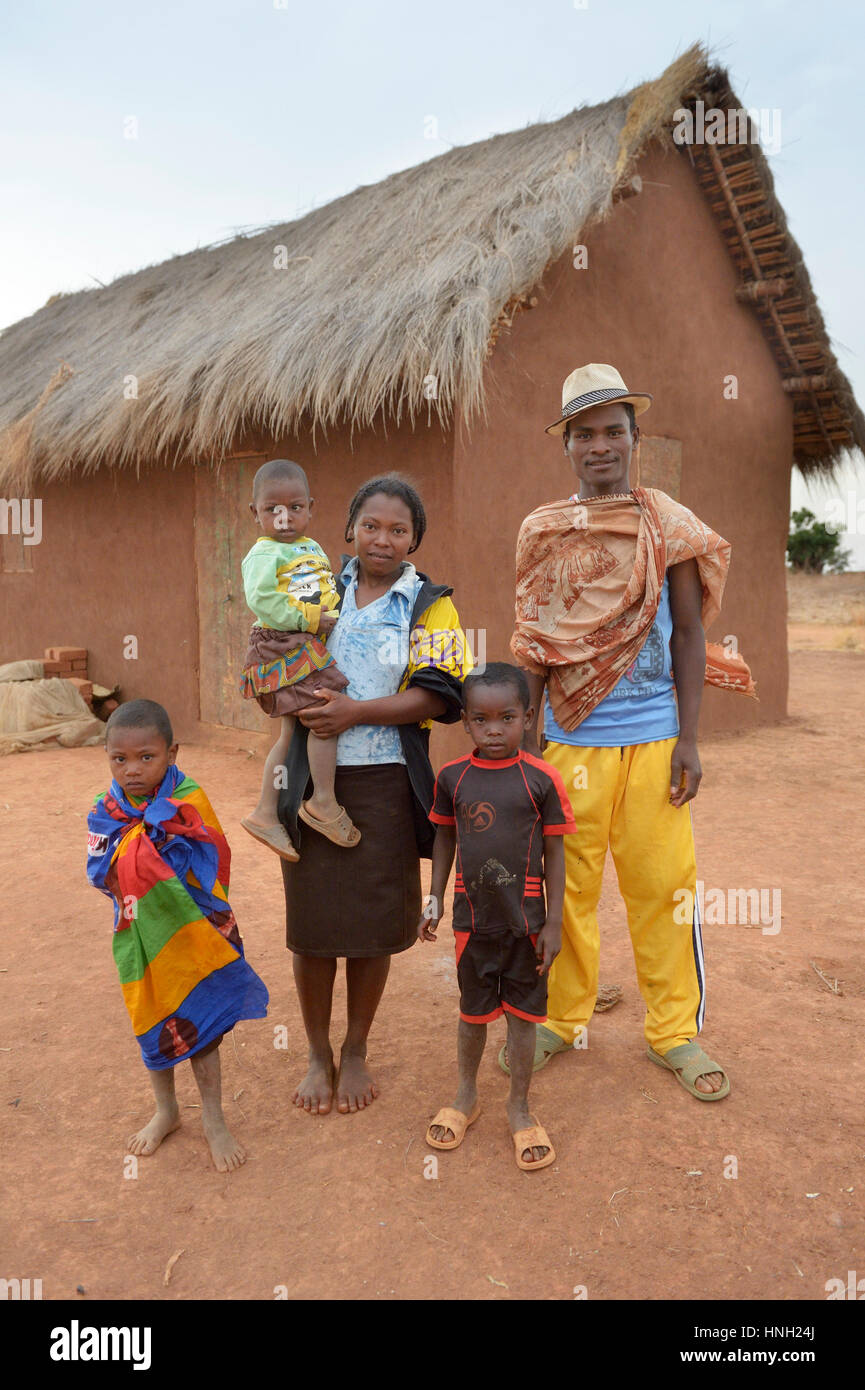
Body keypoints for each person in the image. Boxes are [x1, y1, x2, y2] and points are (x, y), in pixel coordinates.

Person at [507, 364, 755, 1100]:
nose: (600, 445)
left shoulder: (664, 523)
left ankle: (673, 1032)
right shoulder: (544, 530)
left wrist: (688, 738)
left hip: (652, 740)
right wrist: (525, 752)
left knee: (663, 886)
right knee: (565, 889)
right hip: (570, 744)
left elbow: (685, 634)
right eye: (584, 434)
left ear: (633, 439)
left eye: (614, 430)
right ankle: (561, 1018)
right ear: (567, 447)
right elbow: (534, 644)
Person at [275, 473, 473, 1116]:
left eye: (398, 530)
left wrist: (354, 712)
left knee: (369, 927)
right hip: (310, 783)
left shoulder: (430, 604)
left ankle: (354, 1048)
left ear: (415, 540)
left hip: (386, 782)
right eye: (371, 525)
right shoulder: (313, 589)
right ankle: (315, 1051)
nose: (382, 539)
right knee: (311, 929)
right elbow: (275, 648)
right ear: (349, 529)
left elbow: (440, 696)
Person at [86, 699, 269, 1171]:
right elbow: (99, 870)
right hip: (143, 935)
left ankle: (213, 1118)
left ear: (172, 752)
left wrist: (157, 836)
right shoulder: (106, 810)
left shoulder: (189, 799)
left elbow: (213, 857)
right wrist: (137, 850)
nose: (132, 770)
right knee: (152, 1018)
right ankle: (166, 1110)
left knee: (201, 1026)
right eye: (119, 759)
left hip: (195, 931)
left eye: (146, 757)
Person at [418, 663, 575, 1170]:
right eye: (481, 720)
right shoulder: (453, 778)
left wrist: (553, 923)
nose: (494, 731)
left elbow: (555, 851)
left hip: (527, 924)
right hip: (473, 920)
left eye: (506, 718)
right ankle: (466, 1095)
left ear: (528, 718)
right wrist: (435, 898)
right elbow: (444, 837)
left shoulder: (542, 780)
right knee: (472, 1011)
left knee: (524, 1017)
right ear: (466, 723)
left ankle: (519, 1105)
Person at [239, 458, 359, 861]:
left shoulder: (310, 548)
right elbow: (264, 601)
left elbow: (321, 588)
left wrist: (335, 613)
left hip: (302, 645)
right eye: (272, 508)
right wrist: (313, 619)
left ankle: (265, 813)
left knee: (291, 735)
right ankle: (323, 802)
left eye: (294, 507)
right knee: (326, 716)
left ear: (311, 507)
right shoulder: (263, 554)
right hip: (281, 643)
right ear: (254, 512)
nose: (283, 517)